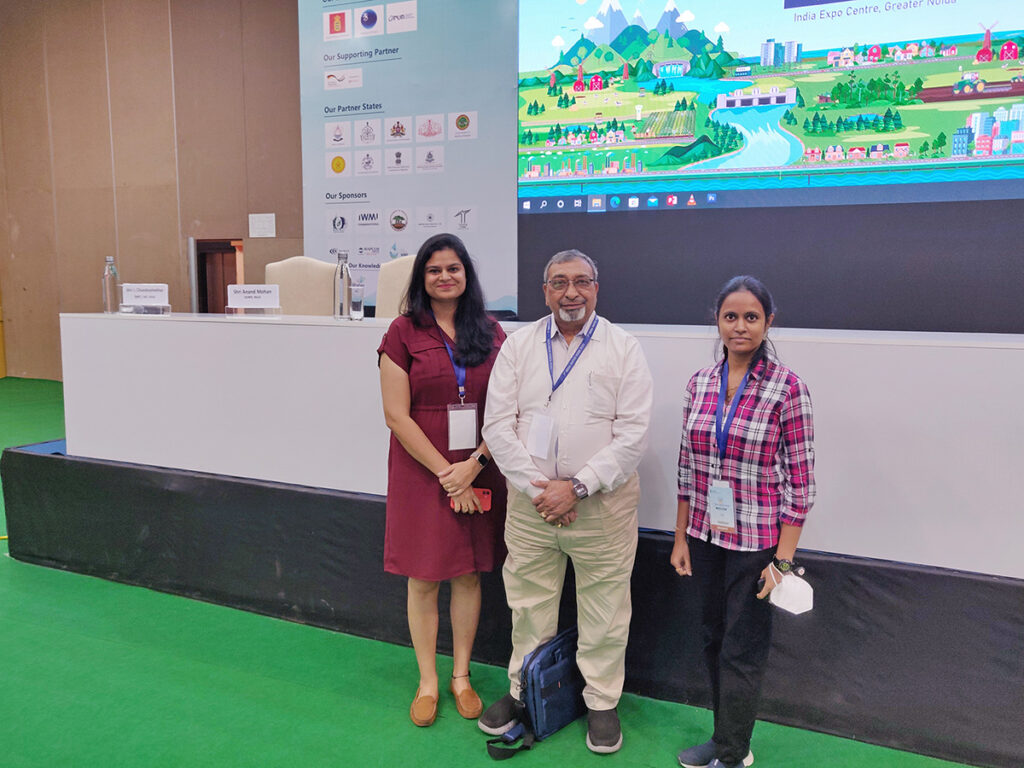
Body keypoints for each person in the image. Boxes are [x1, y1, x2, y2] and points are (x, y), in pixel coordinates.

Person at [479, 249, 653, 754]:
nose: (570, 292)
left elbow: (633, 435)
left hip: (601, 507)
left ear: (597, 288)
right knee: (528, 603)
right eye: (559, 283)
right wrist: (541, 489)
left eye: (581, 282)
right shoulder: (519, 347)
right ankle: (522, 692)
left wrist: (575, 487)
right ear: (545, 291)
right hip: (532, 505)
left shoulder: (623, 348)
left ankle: (601, 702)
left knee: (604, 608)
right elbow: (498, 426)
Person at [671, 276, 815, 768]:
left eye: (751, 317)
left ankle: (734, 753)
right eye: (730, 316)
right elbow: (687, 467)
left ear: (768, 322)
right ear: (718, 320)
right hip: (706, 536)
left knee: (742, 648)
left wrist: (784, 561)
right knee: (713, 638)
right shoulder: (700, 383)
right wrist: (680, 537)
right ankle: (722, 736)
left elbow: (802, 482)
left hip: (758, 543)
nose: (739, 326)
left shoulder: (788, 388)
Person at [377, 233, 507, 727]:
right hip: (421, 468)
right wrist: (447, 475)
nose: (445, 277)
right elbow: (396, 414)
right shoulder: (402, 332)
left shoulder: (492, 332)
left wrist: (473, 465)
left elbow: (509, 407)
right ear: (421, 279)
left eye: (453, 268)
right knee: (424, 577)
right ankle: (428, 680)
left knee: (468, 572)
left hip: (480, 463)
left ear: (466, 275)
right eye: (434, 270)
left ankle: (461, 676)